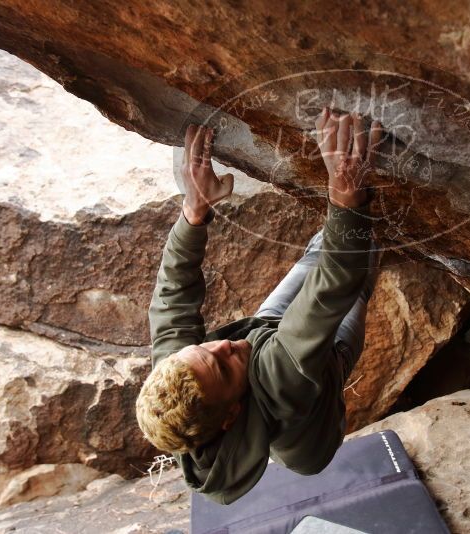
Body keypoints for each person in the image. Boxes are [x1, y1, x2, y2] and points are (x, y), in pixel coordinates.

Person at [135, 108, 382, 504]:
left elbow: (171, 301)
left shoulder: (183, 376)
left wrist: (193, 213)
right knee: (361, 249)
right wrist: (346, 197)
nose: (223, 344)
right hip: (316, 378)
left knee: (314, 255)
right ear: (231, 414)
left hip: (270, 342)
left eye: (203, 349)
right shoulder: (281, 380)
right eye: (222, 364)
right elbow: (331, 289)